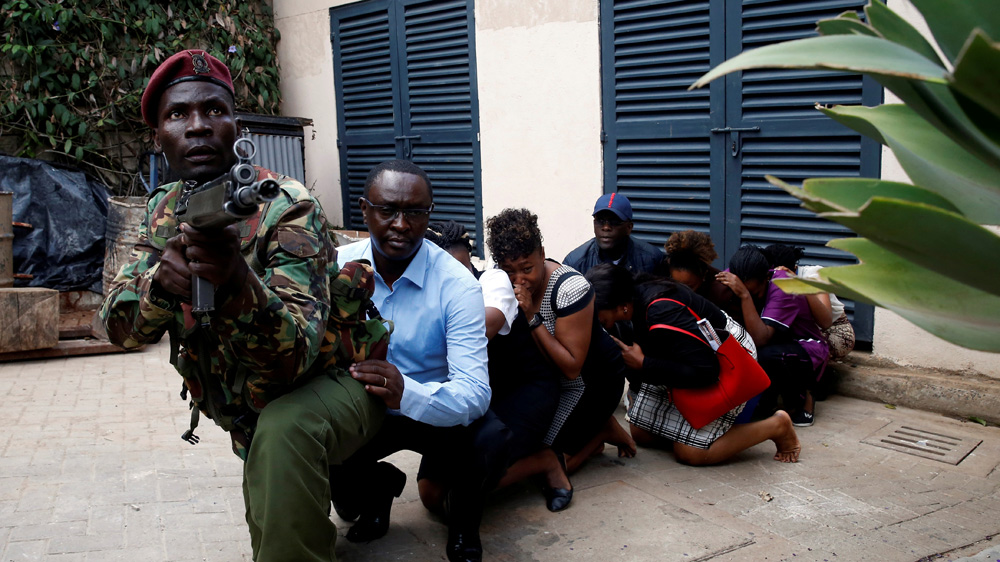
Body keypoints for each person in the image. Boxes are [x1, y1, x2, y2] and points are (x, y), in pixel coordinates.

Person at [99, 50, 389, 562]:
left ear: (237, 126)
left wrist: (236, 282)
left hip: (338, 380)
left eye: (214, 110)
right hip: (252, 403)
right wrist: (160, 287)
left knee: (281, 445)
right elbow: (119, 330)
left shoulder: (285, 203)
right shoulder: (162, 210)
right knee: (270, 495)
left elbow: (294, 356)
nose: (198, 127)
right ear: (157, 137)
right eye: (177, 115)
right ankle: (363, 486)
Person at [332, 161, 510, 562]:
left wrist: (406, 393)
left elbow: (475, 392)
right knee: (332, 477)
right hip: (362, 406)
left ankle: (464, 526)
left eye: (414, 212)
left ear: (428, 215)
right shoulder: (336, 266)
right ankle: (378, 489)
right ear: (364, 209)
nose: (401, 223)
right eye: (387, 210)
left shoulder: (458, 284)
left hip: (432, 404)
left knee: (489, 439)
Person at [486, 208, 635, 513]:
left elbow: (571, 367)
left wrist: (530, 315)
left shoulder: (570, 288)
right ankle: (597, 427)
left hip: (589, 381)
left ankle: (600, 433)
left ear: (542, 254)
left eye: (527, 268)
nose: (519, 280)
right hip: (548, 378)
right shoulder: (503, 283)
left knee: (546, 458)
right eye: (509, 270)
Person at [586, 264, 801, 464]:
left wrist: (644, 364)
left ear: (621, 305)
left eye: (596, 312)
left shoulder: (661, 312)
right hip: (677, 358)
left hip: (727, 359)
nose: (592, 318)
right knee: (641, 431)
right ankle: (693, 433)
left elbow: (706, 371)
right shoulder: (632, 303)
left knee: (691, 453)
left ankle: (776, 426)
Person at [423, 219, 561, 516]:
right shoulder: (427, 293)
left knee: (460, 490)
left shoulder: (494, 282)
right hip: (476, 394)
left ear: (471, 262)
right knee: (430, 495)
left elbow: (482, 328)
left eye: (463, 269)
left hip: (525, 390)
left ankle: (545, 461)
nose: (457, 279)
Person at [716, 245, 830, 427]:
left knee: (763, 354)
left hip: (805, 348)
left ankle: (803, 398)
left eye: (755, 293)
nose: (753, 297)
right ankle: (768, 400)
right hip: (775, 341)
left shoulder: (782, 286)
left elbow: (761, 338)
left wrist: (745, 296)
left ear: (767, 278)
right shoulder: (739, 274)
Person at [762, 244, 856, 361]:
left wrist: (799, 284)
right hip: (804, 331)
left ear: (794, 269)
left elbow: (825, 321)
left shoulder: (813, 275)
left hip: (834, 332)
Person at [563, 193, 663, 275]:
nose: (606, 227)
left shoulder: (652, 259)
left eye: (614, 221)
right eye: (600, 220)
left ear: (629, 227)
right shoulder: (575, 263)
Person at [660, 230, 742, 323]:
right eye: (676, 284)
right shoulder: (662, 275)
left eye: (689, 286)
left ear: (703, 274)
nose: (682, 291)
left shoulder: (723, 293)